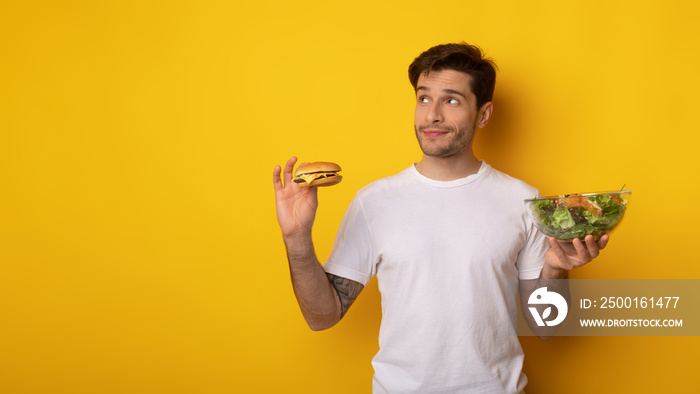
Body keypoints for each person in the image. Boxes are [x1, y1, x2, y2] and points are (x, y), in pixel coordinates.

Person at [272, 42, 608, 393]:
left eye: (451, 100)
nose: (431, 115)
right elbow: (321, 316)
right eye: (423, 98)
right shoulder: (374, 202)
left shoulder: (524, 201)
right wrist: (296, 238)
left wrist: (556, 268)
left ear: (483, 114)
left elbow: (547, 327)